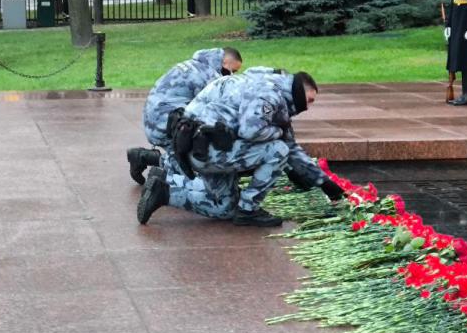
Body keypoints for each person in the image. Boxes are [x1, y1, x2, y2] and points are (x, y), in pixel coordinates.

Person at [137, 71, 345, 227]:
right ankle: (249, 210)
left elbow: (291, 145)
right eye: (309, 100)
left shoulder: (263, 84)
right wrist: (278, 134)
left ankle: (163, 193)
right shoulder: (269, 94)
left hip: (200, 148)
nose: (308, 107)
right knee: (277, 151)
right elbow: (250, 131)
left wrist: (323, 182)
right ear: (298, 91)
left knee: (224, 208)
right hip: (209, 150)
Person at [126, 47, 244, 185]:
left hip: (155, 119)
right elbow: (222, 111)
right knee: (200, 174)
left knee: (193, 145)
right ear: (224, 62)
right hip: (167, 125)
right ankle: (160, 171)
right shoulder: (211, 77)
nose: (232, 75)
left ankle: (143, 157)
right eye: (233, 71)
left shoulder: (196, 64)